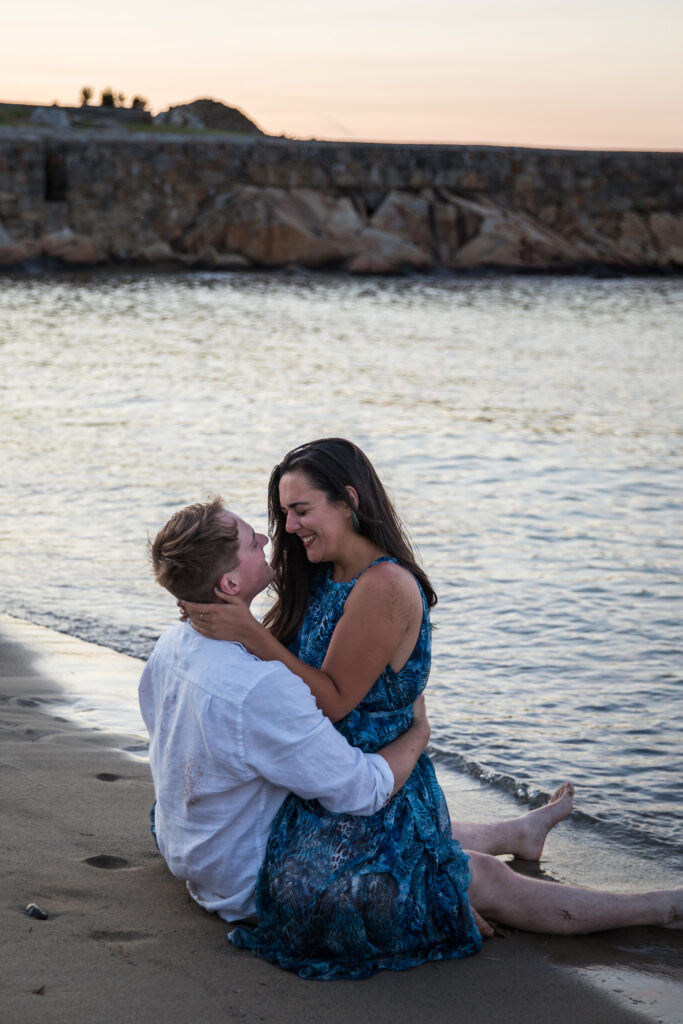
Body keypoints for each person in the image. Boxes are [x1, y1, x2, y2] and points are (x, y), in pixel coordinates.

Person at [181, 438, 681, 980]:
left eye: (302, 510)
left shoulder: (385, 587)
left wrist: (254, 635)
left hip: (379, 781)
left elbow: (332, 700)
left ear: (348, 501)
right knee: (452, 859)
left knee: (481, 878)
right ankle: (520, 832)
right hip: (336, 783)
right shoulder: (320, 573)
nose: (292, 526)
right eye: (284, 513)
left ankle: (659, 906)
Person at [140, 497, 433, 926]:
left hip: (188, 847)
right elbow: (363, 790)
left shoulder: (170, 646)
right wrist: (420, 733)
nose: (266, 537)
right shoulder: (260, 685)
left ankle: (509, 833)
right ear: (230, 586)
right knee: (444, 870)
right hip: (248, 878)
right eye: (249, 542)